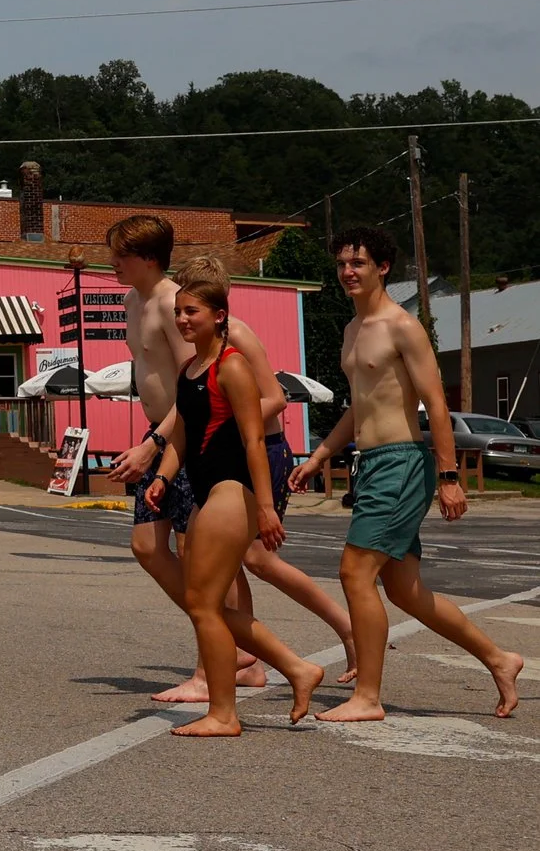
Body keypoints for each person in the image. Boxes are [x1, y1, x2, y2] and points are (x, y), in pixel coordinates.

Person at [105, 218, 355, 700]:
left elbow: (212, 396)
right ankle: (243, 648)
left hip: (198, 444)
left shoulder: (203, 324)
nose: (111, 262)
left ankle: (226, 662)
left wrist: (155, 445)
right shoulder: (134, 303)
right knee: (165, 551)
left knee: (222, 561)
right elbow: (180, 384)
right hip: (172, 441)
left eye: (120, 253)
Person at [293, 227, 520, 721]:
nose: (348, 272)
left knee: (355, 572)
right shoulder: (353, 331)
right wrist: (320, 455)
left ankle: (368, 698)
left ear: (383, 268)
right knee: (403, 590)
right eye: (342, 265)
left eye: (359, 263)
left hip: (401, 462)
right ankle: (500, 659)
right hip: (370, 463)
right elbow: (358, 408)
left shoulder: (402, 326)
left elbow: (437, 405)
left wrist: (448, 475)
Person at [147, 261, 323, 736]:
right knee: (204, 602)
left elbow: (252, 442)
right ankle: (295, 668)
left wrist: (265, 508)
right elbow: (182, 435)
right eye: (180, 312)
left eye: (194, 312)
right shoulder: (189, 369)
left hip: (233, 488)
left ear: (220, 315)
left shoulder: (233, 366)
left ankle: (224, 713)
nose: (184, 320)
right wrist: (162, 477)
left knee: (203, 603)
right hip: (205, 488)